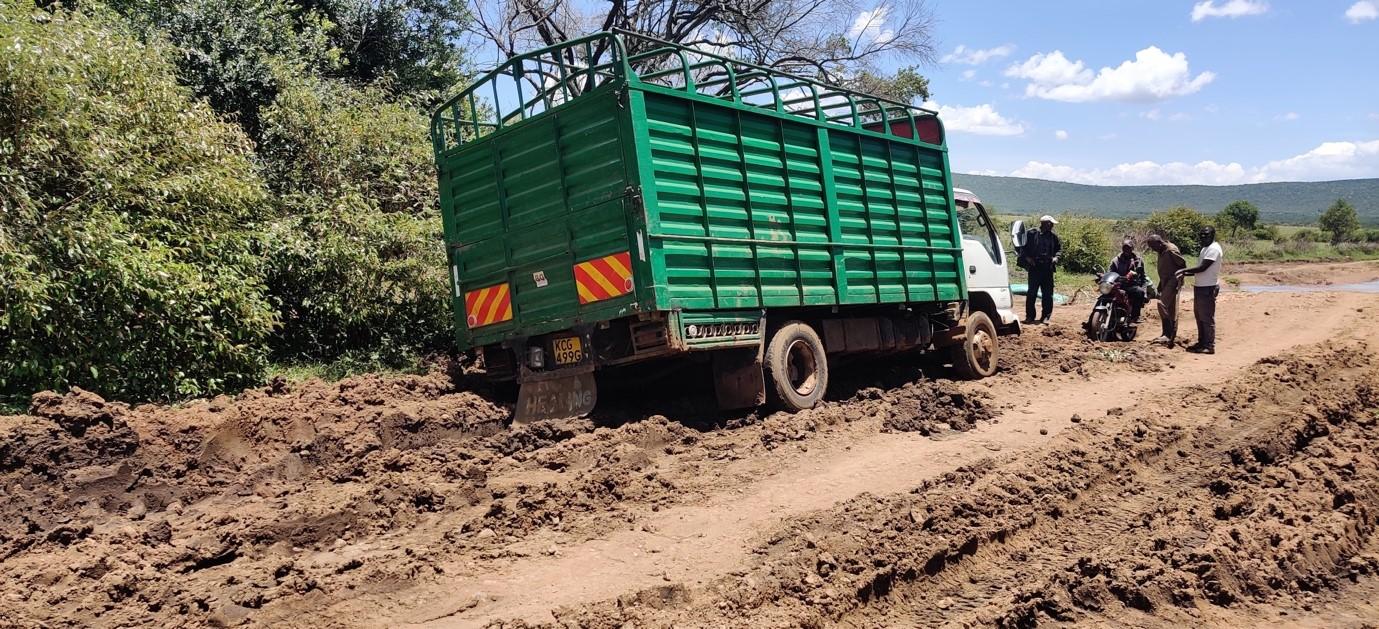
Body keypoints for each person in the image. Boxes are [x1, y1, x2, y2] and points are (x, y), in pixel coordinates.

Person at [1176, 226, 1224, 354]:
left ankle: (1209, 345)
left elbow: (1203, 268)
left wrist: (1183, 271)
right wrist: (1185, 274)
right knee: (1199, 317)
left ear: (1213, 235)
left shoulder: (1214, 249)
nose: (1203, 237)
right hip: (1200, 286)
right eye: (1201, 234)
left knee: (1206, 318)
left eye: (1206, 234)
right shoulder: (1205, 248)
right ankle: (1202, 342)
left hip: (1207, 287)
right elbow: (1200, 270)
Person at [1019, 215, 1061, 324]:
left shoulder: (1053, 237)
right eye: (1050, 224)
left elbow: (1059, 250)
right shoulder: (1031, 234)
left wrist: (1056, 258)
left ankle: (1046, 317)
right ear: (1045, 224)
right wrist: (1028, 259)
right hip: (1035, 268)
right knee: (1032, 293)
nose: (1052, 226)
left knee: (1047, 294)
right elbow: (1022, 248)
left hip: (1048, 268)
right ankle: (1030, 316)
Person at [1145, 234, 1186, 346]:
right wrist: (1160, 284)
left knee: (1161, 304)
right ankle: (1170, 335)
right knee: (1170, 308)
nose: (1153, 250)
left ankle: (1167, 334)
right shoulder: (1161, 250)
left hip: (1173, 281)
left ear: (1159, 242)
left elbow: (1182, 264)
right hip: (1165, 281)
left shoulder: (1171, 250)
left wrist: (1179, 280)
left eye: (1153, 247)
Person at [1107, 239, 1147, 322]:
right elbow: (1110, 273)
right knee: (1103, 296)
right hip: (1117, 284)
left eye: (1128, 248)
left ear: (1132, 248)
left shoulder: (1138, 260)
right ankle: (1091, 321)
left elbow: (1143, 276)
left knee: (1139, 292)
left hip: (1131, 285)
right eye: (1124, 247)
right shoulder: (1116, 260)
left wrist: (1144, 290)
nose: (1126, 250)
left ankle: (1135, 316)